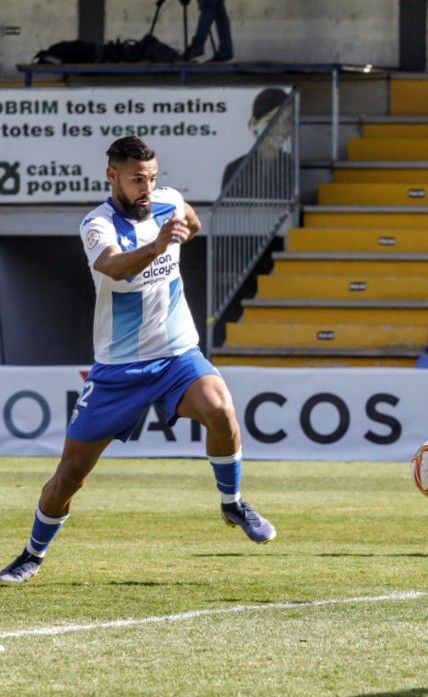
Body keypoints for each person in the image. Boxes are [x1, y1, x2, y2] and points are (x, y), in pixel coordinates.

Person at [0, 136, 275, 584]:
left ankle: (233, 504)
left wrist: (180, 231)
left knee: (222, 409)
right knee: (69, 476)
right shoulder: (97, 224)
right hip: (118, 370)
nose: (146, 187)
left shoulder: (169, 203)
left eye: (151, 177)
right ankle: (32, 553)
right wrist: (160, 245)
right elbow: (113, 267)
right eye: (136, 179)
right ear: (112, 177)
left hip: (176, 355)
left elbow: (193, 222)